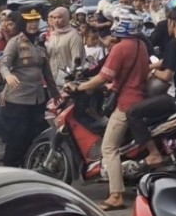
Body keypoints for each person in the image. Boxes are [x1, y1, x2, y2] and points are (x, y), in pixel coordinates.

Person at [66, 11, 149, 212]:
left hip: (125, 104)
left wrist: (79, 87)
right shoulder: (141, 45)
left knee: (108, 148)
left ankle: (116, 195)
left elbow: (102, 77)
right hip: (140, 98)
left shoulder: (121, 48)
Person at [127, 5, 176, 172]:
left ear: (173, 23)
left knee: (133, 113)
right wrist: (148, 67)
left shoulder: (174, 44)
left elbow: (166, 76)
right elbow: (167, 61)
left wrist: (153, 72)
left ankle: (153, 153)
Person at [0, 10, 59, 168]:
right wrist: (8, 76)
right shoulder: (15, 42)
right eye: (29, 21)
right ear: (22, 24)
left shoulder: (39, 42)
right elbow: (4, 64)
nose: (33, 25)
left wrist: (54, 92)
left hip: (37, 98)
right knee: (17, 138)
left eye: (36, 21)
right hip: (18, 99)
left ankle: (28, 167)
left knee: (34, 137)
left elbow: (46, 71)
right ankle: (10, 169)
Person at [44, 7, 84, 86]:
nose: (56, 20)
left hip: (68, 81)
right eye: (54, 18)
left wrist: (72, 79)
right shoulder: (53, 35)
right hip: (53, 80)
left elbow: (77, 59)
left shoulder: (73, 35)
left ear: (66, 18)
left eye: (59, 17)